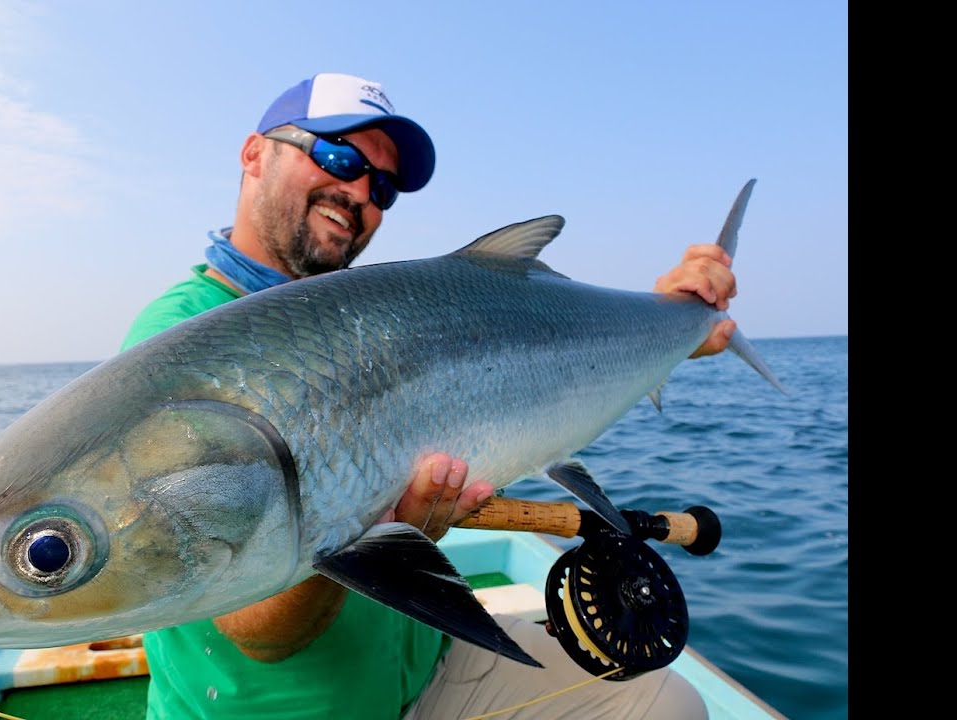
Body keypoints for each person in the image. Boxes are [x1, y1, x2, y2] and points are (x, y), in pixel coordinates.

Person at [120, 72, 731, 720]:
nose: (358, 191)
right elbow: (261, 630)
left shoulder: (380, 316)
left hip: (427, 669)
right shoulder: (174, 345)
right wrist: (367, 524)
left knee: (669, 705)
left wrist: (674, 323)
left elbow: (554, 365)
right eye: (335, 156)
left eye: (381, 186)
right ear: (253, 153)